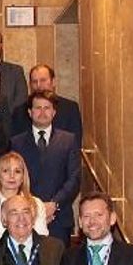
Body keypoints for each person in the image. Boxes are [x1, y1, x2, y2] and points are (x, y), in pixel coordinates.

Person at [9, 90, 80, 244]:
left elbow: (74, 178)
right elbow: (14, 179)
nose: (42, 112)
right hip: (26, 217)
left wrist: (55, 204)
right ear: (30, 112)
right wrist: (34, 207)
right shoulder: (16, 143)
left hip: (59, 219)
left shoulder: (68, 140)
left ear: (54, 112)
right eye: (38, 108)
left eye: (47, 108)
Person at [0, 152, 48, 241]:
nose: (12, 176)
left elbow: (42, 240)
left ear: (23, 177)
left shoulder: (36, 204)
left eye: (17, 171)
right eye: (6, 171)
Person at [12, 64, 83, 148]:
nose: (38, 85)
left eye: (43, 80)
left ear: (53, 82)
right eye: (34, 81)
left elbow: (75, 144)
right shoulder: (20, 111)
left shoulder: (70, 109)